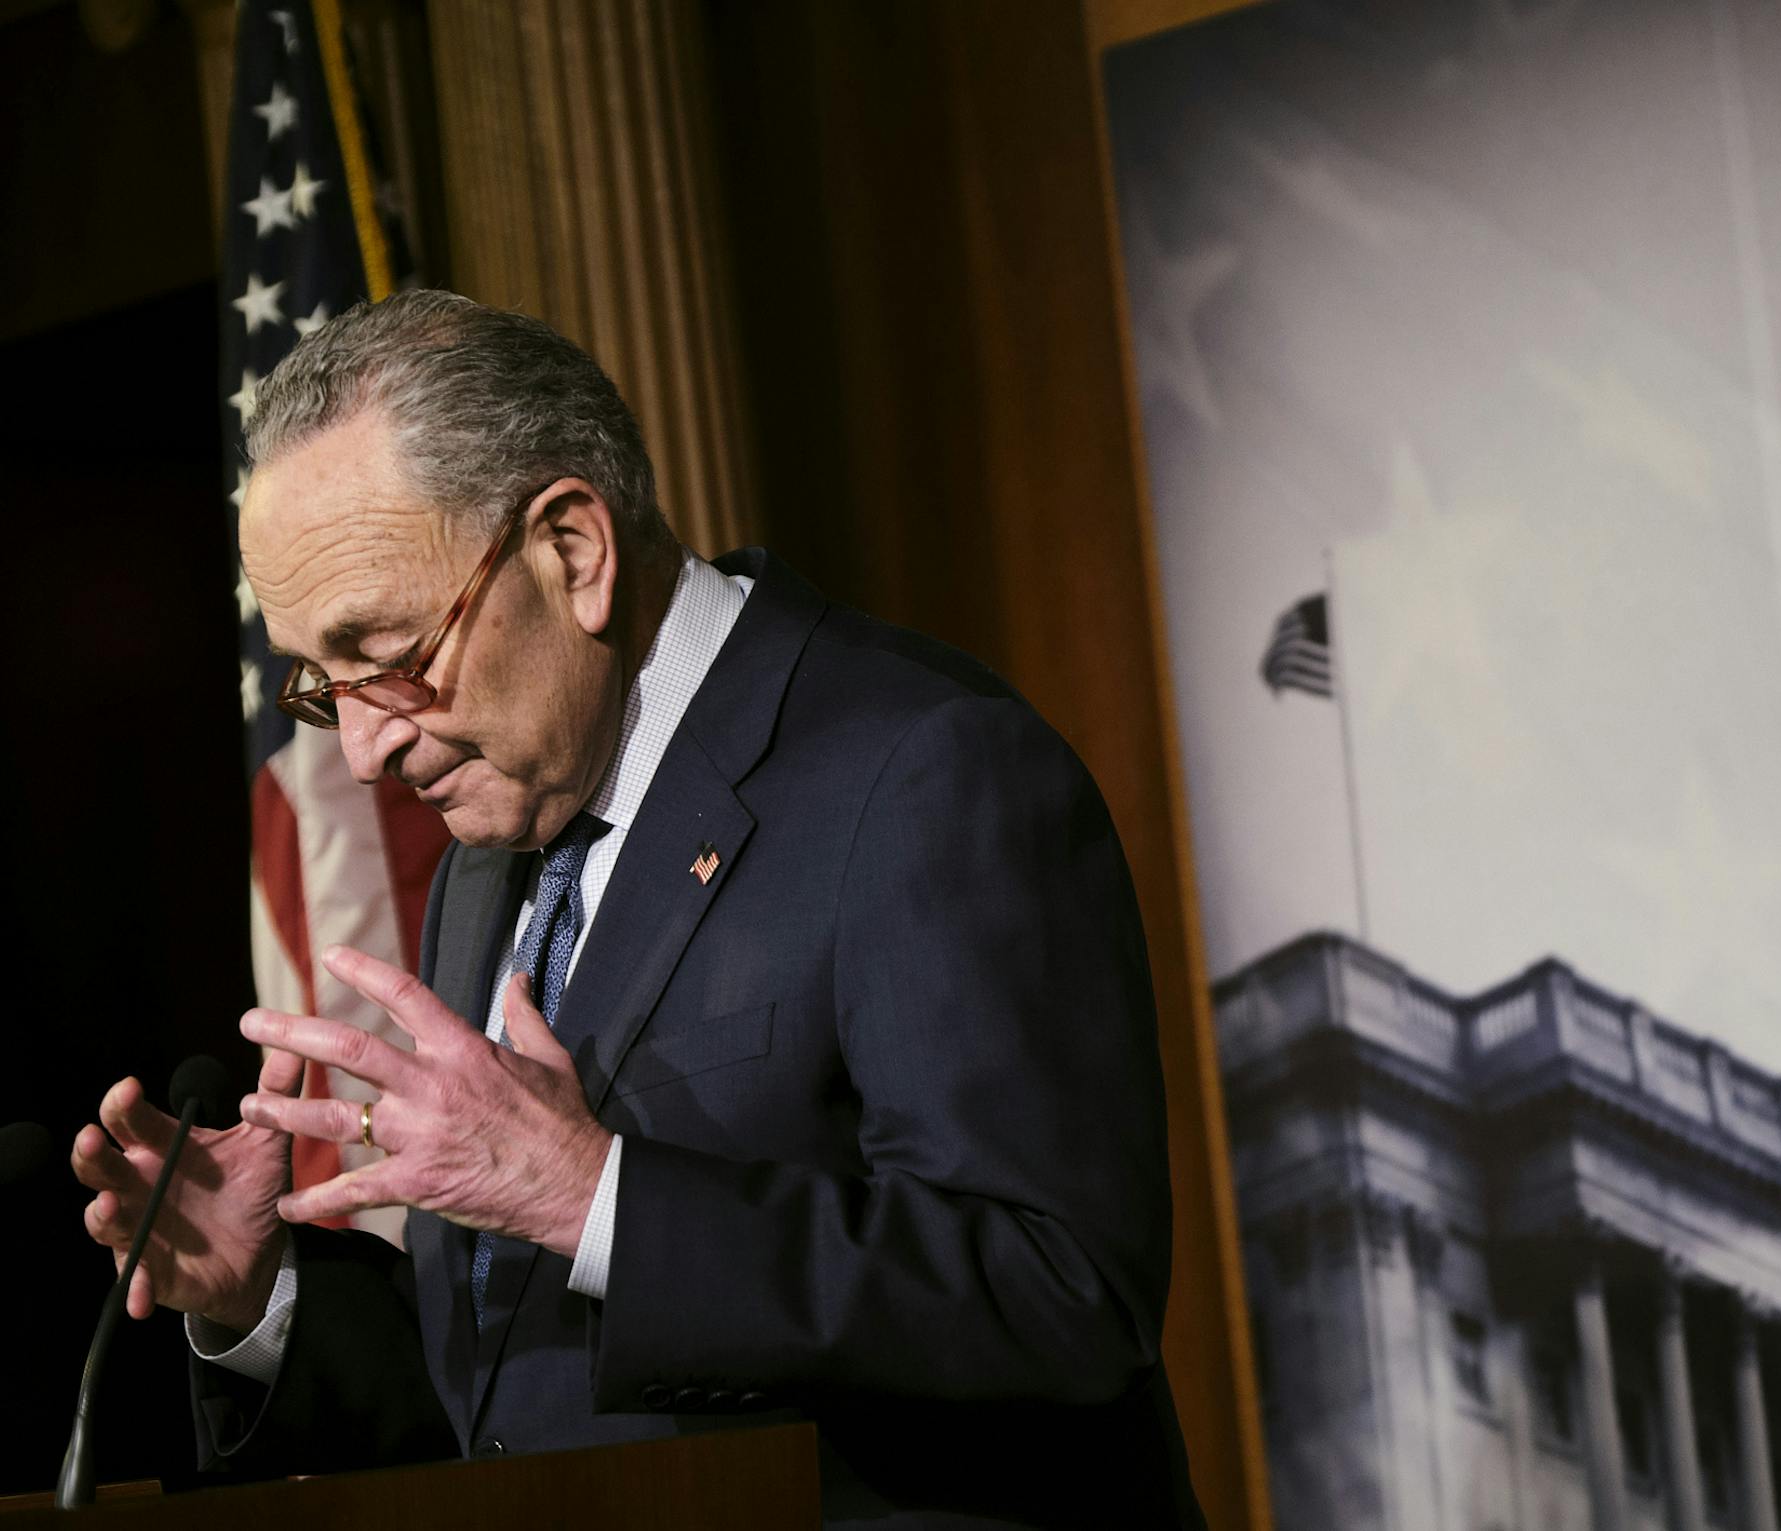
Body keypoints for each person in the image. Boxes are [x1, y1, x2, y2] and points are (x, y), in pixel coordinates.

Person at [70, 290, 1203, 1528]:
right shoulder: (493, 853)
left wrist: (592, 1190)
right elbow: (522, 1409)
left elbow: (1063, 1297)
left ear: (574, 551)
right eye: (318, 686)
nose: (359, 752)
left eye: (388, 657)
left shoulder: (925, 771)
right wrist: (262, 1298)